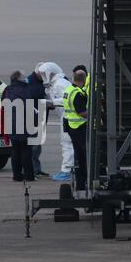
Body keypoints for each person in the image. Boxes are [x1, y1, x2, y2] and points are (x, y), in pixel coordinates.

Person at [39, 62, 75, 182]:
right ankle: (68, 169)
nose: (43, 76)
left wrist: (51, 102)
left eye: (44, 74)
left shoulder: (60, 84)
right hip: (66, 116)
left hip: (69, 117)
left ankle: (66, 170)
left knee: (67, 144)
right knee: (67, 144)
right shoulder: (55, 84)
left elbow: (69, 99)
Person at [1, 70, 36, 182]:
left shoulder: (7, 90)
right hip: (24, 124)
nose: (26, 79)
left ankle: (16, 175)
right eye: (24, 77)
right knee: (26, 151)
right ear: (19, 79)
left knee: (15, 151)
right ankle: (29, 175)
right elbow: (29, 108)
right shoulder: (25, 90)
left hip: (11, 124)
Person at [64, 70, 88, 198]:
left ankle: (80, 184)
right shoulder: (78, 94)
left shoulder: (68, 90)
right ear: (83, 80)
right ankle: (84, 182)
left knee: (78, 157)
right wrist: (95, 114)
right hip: (80, 127)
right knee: (85, 157)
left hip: (72, 127)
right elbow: (81, 112)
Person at [27, 63, 50, 178]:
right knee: (34, 146)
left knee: (37, 145)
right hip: (34, 119)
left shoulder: (38, 82)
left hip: (39, 117)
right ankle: (33, 170)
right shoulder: (32, 84)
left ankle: (36, 168)